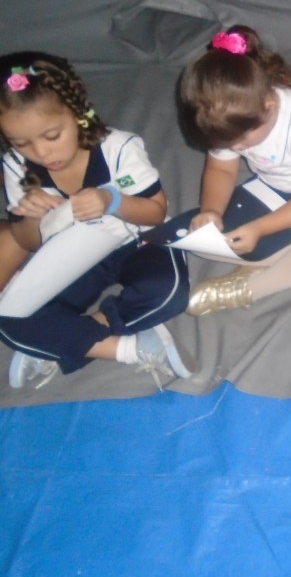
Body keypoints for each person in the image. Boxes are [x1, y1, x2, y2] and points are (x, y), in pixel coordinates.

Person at [0, 52, 193, 388]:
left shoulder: (118, 148)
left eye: (52, 136)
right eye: (21, 143)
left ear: (77, 113)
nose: (41, 153)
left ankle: (65, 339)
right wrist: (31, 217)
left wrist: (112, 201)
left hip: (138, 239)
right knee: (9, 320)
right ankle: (128, 348)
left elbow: (155, 212)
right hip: (74, 256)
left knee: (169, 292)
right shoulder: (18, 166)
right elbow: (29, 241)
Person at [177, 26, 291, 315]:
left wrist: (259, 228)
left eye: (241, 140)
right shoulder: (231, 119)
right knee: (197, 238)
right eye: (227, 144)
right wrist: (211, 211)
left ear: (269, 104)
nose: (236, 147)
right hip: (275, 189)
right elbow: (220, 170)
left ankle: (252, 287)